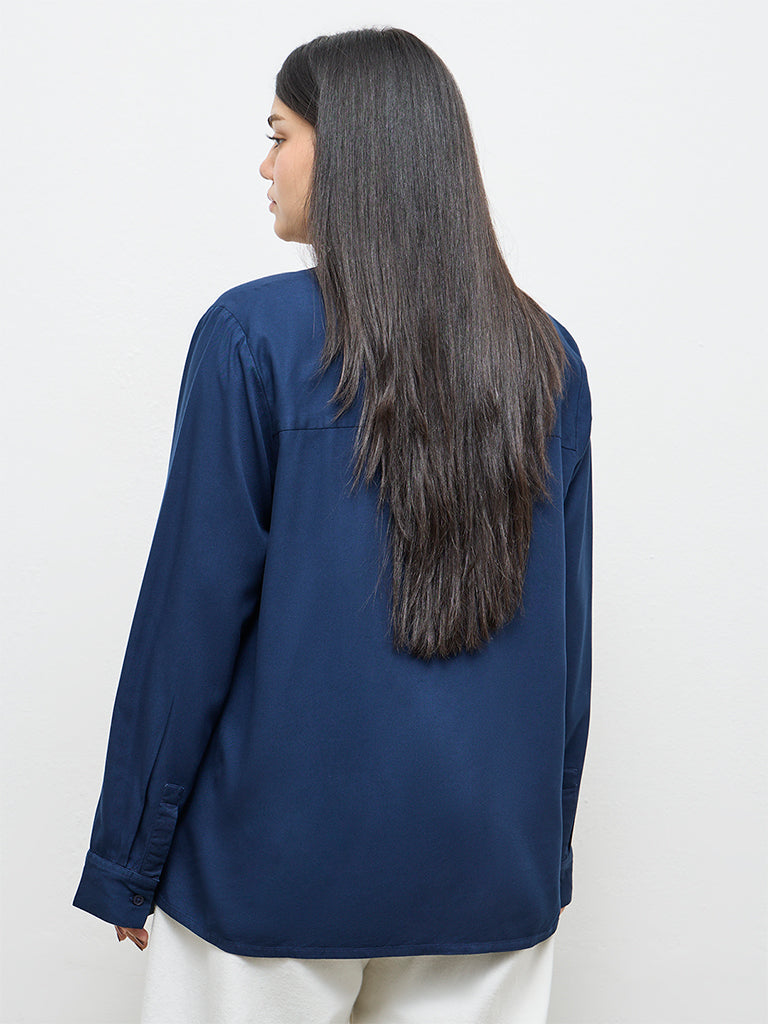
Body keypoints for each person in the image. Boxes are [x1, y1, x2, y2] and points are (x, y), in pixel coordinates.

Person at [73, 25, 593, 1024]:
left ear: (347, 146)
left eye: (280, 135)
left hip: (266, 875)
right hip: (487, 877)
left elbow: (190, 620)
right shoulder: (547, 357)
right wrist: (543, 854)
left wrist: (128, 859)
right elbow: (565, 651)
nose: (265, 164)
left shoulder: (251, 336)